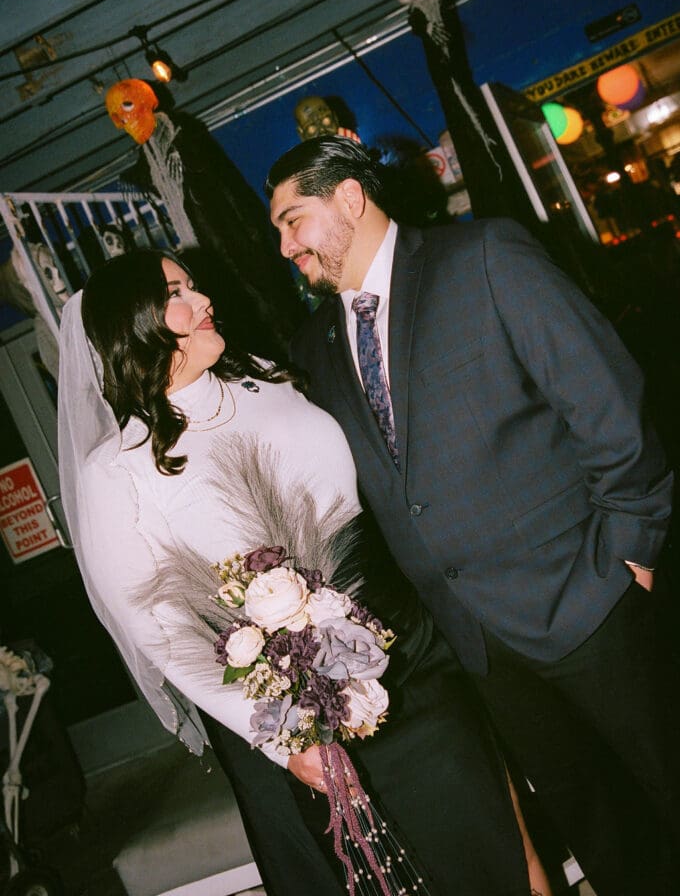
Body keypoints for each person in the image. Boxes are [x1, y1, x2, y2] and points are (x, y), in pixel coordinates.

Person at [266, 136, 680, 896]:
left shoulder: (483, 256)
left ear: (350, 199)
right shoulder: (316, 347)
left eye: (294, 221)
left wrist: (632, 551)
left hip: (593, 596)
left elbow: (608, 403)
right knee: (600, 826)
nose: (286, 246)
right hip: (480, 647)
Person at [57, 248, 542, 896]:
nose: (203, 301)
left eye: (196, 285)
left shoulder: (265, 377)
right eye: (179, 292)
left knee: (500, 839)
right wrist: (283, 741)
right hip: (292, 698)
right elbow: (157, 628)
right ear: (135, 322)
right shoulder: (118, 471)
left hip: (408, 643)